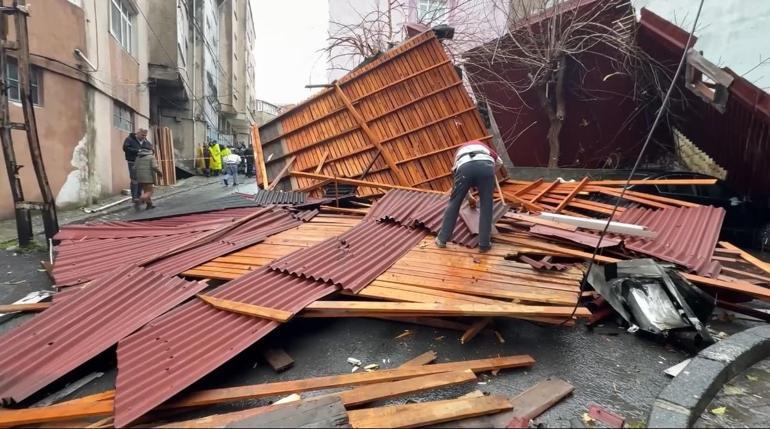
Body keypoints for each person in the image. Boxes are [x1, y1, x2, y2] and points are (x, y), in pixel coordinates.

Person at [436, 139, 503, 253]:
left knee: (455, 202)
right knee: (486, 205)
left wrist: (468, 196)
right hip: (486, 167)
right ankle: (484, 244)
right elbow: (499, 162)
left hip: (465, 168)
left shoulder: (458, 153)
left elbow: (457, 175)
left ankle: (442, 239)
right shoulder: (484, 147)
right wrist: (490, 173)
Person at [122, 128, 148, 203]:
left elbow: (150, 147)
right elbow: (125, 148)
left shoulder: (145, 141)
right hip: (133, 161)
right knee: (134, 179)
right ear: (138, 133)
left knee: (141, 179)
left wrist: (150, 151)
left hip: (142, 162)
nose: (144, 137)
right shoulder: (129, 139)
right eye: (142, 135)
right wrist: (137, 151)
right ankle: (134, 197)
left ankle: (139, 196)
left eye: (145, 135)